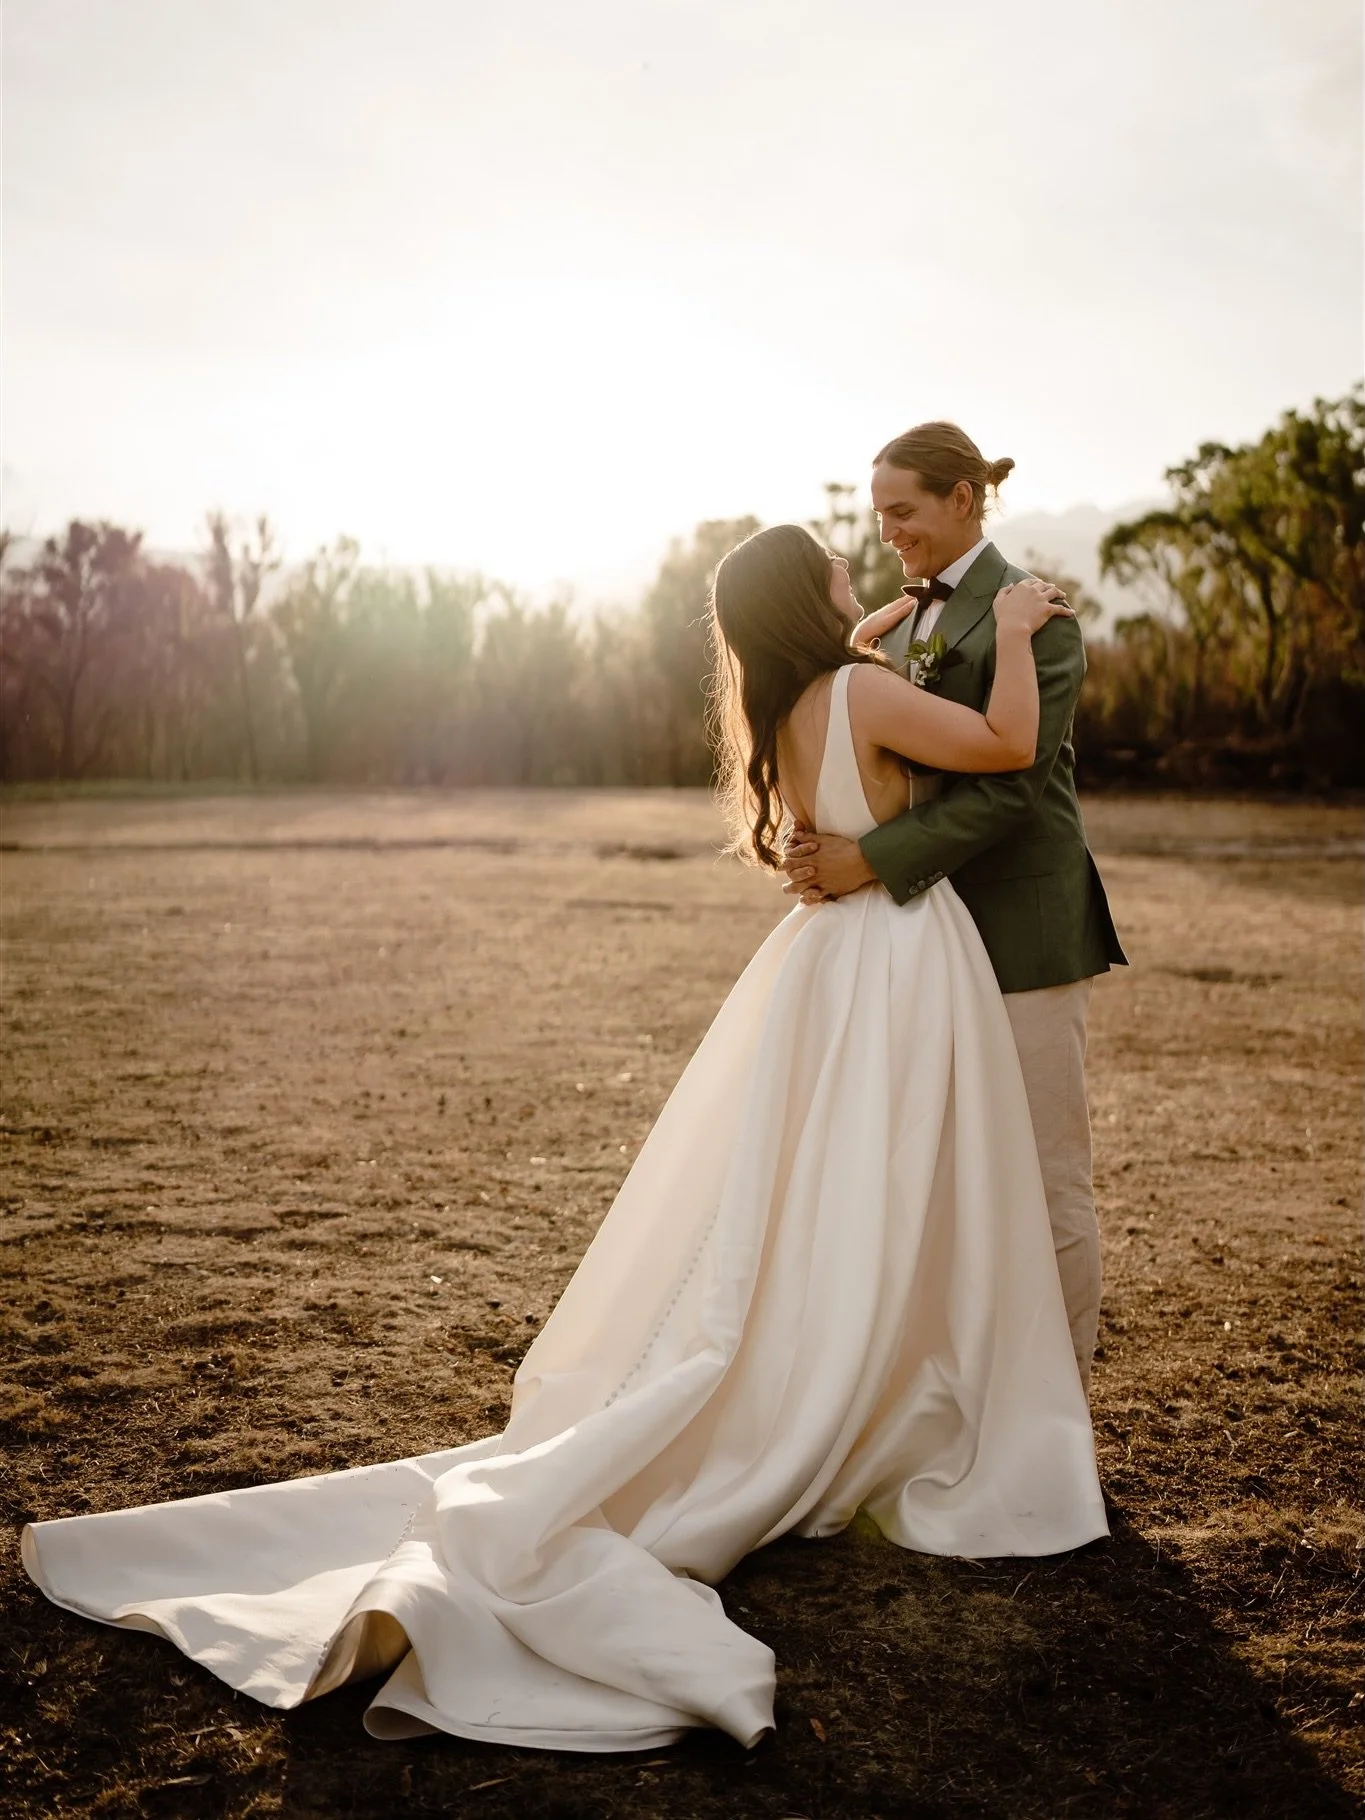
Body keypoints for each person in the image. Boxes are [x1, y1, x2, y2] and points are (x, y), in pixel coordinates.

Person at [22, 524, 1108, 1755]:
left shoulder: (793, 697)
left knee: (819, 1188)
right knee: (896, 1182)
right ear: (808, 601)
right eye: (835, 574)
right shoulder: (861, 688)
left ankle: (860, 1371)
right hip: (902, 959)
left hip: (826, 964)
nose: (856, 578)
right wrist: (1014, 632)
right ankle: (897, 1387)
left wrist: (856, 642)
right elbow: (1011, 745)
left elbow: (854, 691)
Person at [783, 422, 1128, 1393]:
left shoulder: (1037, 616)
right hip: (925, 939)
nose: (888, 530)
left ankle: (1057, 1405)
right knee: (941, 1178)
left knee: (1044, 1171)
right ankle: (967, 1383)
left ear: (963, 500)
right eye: (879, 511)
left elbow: (1011, 788)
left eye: (905, 510)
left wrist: (868, 861)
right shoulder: (900, 621)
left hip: (1020, 929)